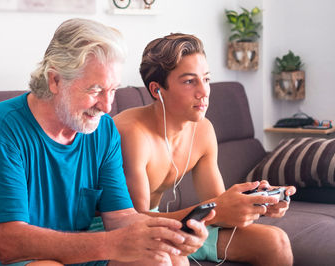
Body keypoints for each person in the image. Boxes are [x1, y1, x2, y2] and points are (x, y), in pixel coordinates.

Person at [0, 19, 215, 266]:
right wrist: (112, 244)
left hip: (74, 252)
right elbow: (10, 244)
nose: (107, 106)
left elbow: (120, 217)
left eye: (113, 90)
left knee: (167, 259)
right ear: (55, 80)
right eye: (95, 90)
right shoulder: (3, 128)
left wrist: (173, 233)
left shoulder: (103, 130)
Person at [113, 33, 296, 266]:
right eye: (190, 81)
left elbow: (218, 209)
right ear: (157, 89)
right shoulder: (132, 132)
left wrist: (254, 204)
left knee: (275, 242)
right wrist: (218, 210)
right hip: (120, 228)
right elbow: (135, 221)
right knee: (174, 260)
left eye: (206, 79)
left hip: (171, 224)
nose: (204, 92)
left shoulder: (203, 130)